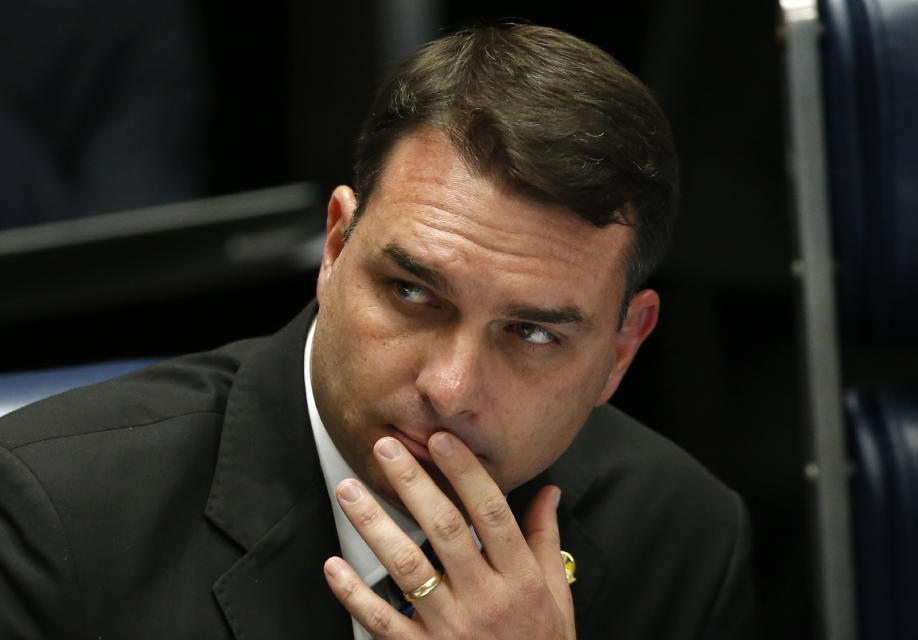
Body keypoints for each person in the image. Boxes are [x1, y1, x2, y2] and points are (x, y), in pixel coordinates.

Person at [0, 24, 753, 639]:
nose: (450, 389)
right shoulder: (55, 513)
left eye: (531, 334)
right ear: (335, 249)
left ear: (623, 348)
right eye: (412, 293)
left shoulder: (679, 534)